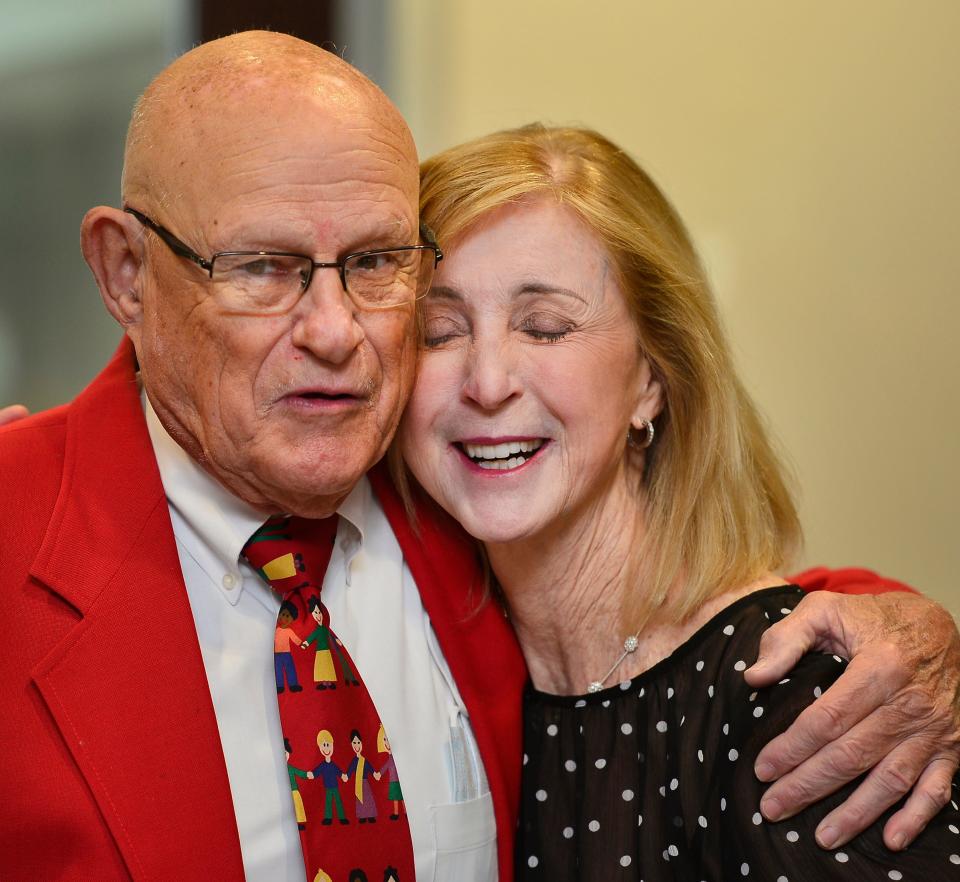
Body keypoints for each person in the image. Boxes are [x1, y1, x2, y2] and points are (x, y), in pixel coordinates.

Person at [0, 30, 957, 882]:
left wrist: (906, 633)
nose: (334, 332)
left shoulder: (440, 506)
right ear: (127, 273)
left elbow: (681, 630)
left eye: (375, 263)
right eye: (263, 266)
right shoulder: (32, 520)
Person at [398, 122, 960, 879]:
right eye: (438, 332)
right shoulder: (442, 681)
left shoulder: (799, 696)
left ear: (652, 380)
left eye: (546, 327)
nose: (487, 381)